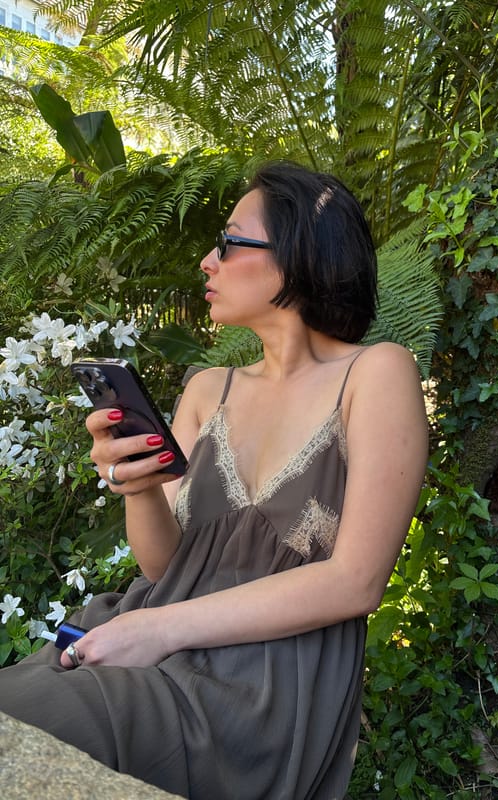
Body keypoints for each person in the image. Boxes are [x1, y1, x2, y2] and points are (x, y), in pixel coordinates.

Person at [0, 161, 428, 799]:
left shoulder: (376, 373)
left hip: (262, 680)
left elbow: (356, 581)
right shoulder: (207, 387)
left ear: (298, 255)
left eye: (229, 243)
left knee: (38, 722)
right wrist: (136, 485)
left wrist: (159, 630)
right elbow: (162, 563)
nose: (207, 260)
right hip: (142, 631)